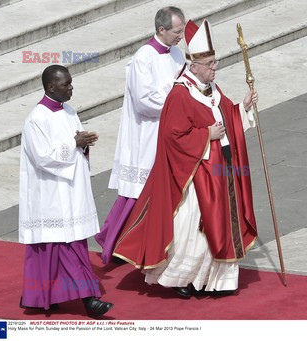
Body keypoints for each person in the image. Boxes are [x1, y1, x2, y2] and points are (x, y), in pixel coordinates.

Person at [113, 19, 259, 298]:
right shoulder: (180, 94)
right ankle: (180, 277)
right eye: (211, 64)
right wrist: (206, 135)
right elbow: (172, 136)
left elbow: (225, 115)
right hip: (193, 177)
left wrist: (243, 108)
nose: (215, 68)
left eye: (215, 63)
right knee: (192, 226)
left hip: (218, 169)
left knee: (217, 224)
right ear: (194, 67)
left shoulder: (211, 88)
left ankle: (213, 280)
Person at [19, 65, 113, 317]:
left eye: (71, 83)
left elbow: (74, 144)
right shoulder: (36, 119)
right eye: (66, 84)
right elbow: (42, 157)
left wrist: (83, 144)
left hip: (70, 191)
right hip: (51, 195)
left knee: (68, 245)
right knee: (64, 248)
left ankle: (42, 297)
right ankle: (89, 299)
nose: (71, 87)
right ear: (51, 86)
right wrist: (74, 143)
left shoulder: (68, 111)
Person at [95, 7, 186, 264]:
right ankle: (115, 243)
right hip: (147, 133)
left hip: (170, 131)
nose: (181, 36)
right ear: (161, 29)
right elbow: (144, 102)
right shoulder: (143, 58)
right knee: (139, 191)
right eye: (177, 31)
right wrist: (176, 97)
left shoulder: (177, 54)